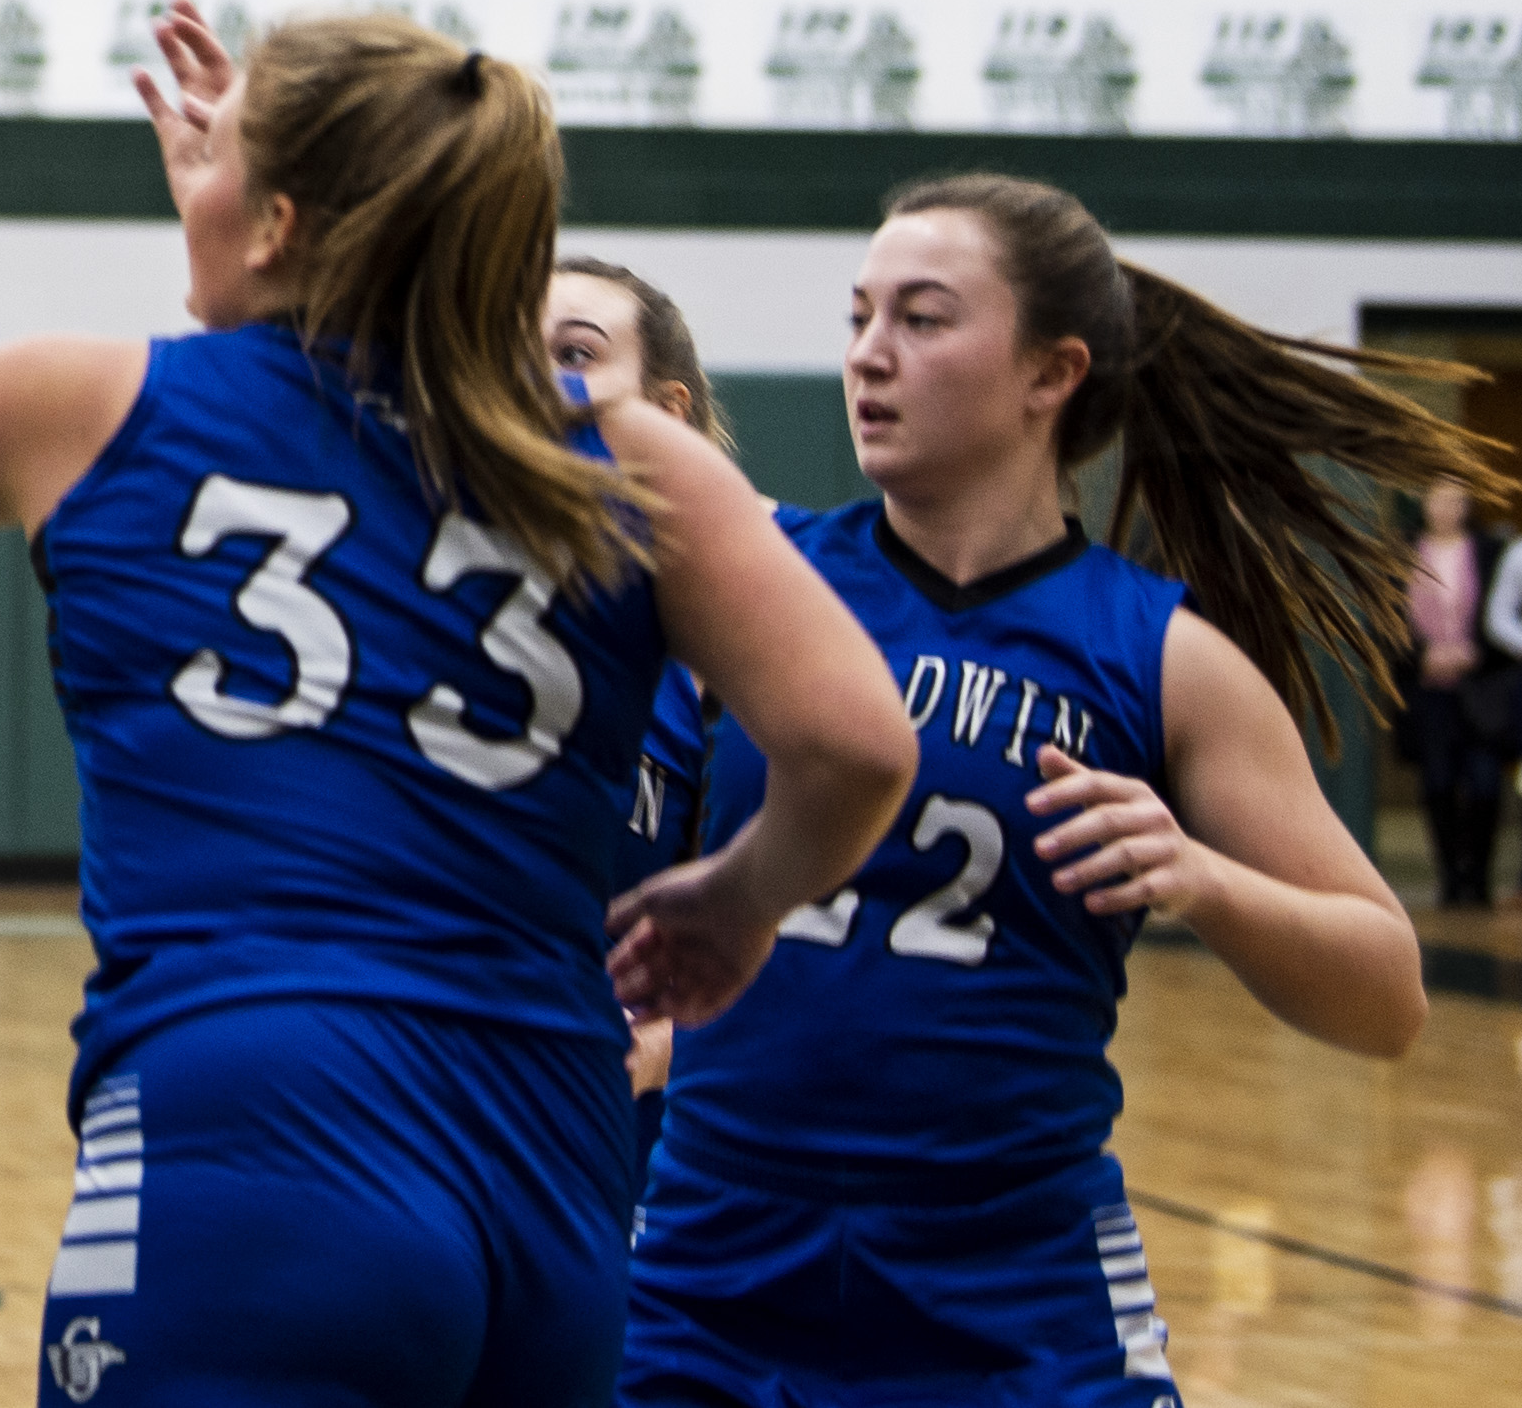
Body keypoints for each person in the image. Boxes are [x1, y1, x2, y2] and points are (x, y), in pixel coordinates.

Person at [0, 0, 917, 1404]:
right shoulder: (629, 458)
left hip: (257, 1140)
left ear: (287, 219)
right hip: (550, 1170)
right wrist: (738, 898)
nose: (187, 176)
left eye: (215, 156)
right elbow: (856, 746)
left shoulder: (100, 406)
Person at [622, 172, 1509, 1407]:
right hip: (714, 1262)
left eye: (923, 318)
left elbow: (1389, 995)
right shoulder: (750, 573)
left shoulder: (1162, 655)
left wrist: (1207, 879)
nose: (869, 355)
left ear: (1052, 372)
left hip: (1013, 1281)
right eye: (859, 315)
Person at [544, 257, 763, 1188]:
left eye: (576, 352)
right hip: (438, 1115)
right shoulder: (424, 595)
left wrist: (672, 1041)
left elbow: (825, 916)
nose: (538, 380)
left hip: (642, 1163)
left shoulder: (727, 634)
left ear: (666, 413)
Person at [1404, 482, 1511, 906]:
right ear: (1424, 501)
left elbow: (1502, 613)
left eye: (1457, 499)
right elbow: (1388, 618)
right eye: (1440, 497)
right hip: (1428, 689)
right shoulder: (1404, 550)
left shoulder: (1490, 551)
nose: (1448, 507)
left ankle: (1479, 877)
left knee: (1485, 781)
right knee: (1438, 783)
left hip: (1481, 688)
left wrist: (1475, 653)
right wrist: (1421, 656)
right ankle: (1449, 877)